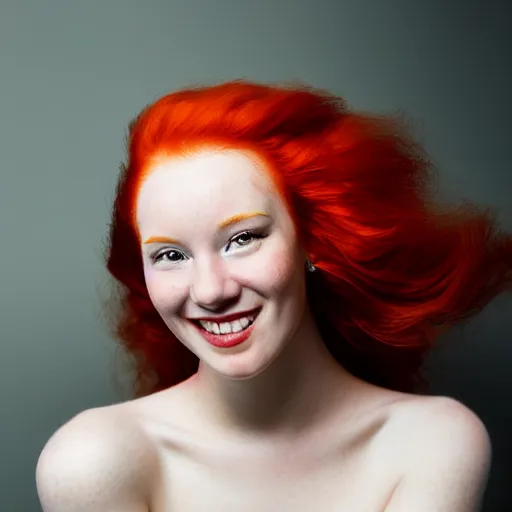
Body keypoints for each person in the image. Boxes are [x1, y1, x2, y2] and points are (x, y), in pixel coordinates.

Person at [36, 80, 511, 511]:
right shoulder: (93, 462)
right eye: (170, 255)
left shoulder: (431, 443)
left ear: (315, 239)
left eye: (243, 239)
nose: (211, 290)